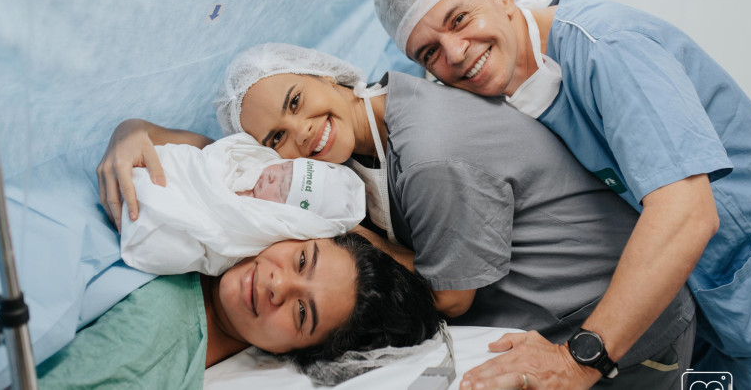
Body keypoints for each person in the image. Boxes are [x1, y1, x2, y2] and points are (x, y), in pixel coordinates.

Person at [98, 42, 697, 389]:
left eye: (297, 102)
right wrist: (133, 131)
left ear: (328, 73)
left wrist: (338, 234)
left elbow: (453, 299)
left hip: (622, 326)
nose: (301, 134)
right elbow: (218, 156)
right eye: (277, 136)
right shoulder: (349, 149)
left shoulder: (433, 155)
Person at [373, 0, 751, 388]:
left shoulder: (608, 51)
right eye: (429, 53)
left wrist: (578, 360)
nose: (456, 52)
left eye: (459, 19)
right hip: (704, 310)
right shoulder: (515, 92)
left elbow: (686, 213)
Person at [36, 232, 441, 388]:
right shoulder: (199, 227)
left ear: (294, 352)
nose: (277, 285)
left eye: (302, 314)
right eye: (302, 260)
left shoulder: (154, 339)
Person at [120, 132, 366, 275]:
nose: (272, 176)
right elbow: (210, 160)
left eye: (281, 189)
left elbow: (224, 232)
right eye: (283, 168)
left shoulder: (259, 227)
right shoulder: (251, 161)